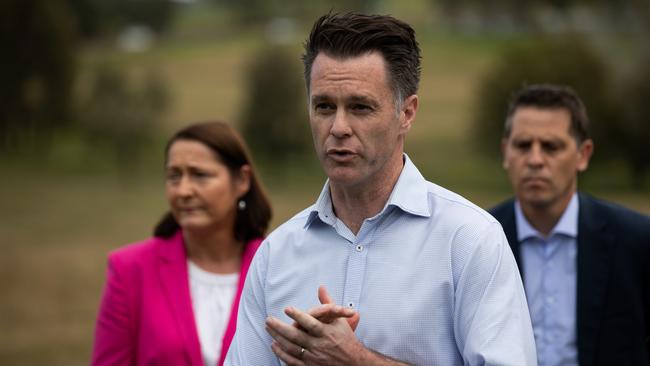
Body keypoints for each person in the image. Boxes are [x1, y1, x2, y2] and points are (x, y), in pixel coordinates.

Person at [225, 12, 536, 365]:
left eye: (360, 107)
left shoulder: (469, 242)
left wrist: (359, 361)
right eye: (324, 106)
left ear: (407, 112)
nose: (338, 127)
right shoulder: (275, 256)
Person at [489, 84, 650, 366]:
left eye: (551, 147)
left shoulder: (636, 241)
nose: (535, 160)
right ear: (506, 152)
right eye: (523, 145)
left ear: (583, 154)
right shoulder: (479, 238)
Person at [92, 121, 272, 366]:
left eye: (200, 175)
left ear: (241, 180)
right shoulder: (129, 270)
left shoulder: (275, 267)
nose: (183, 190)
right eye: (174, 176)